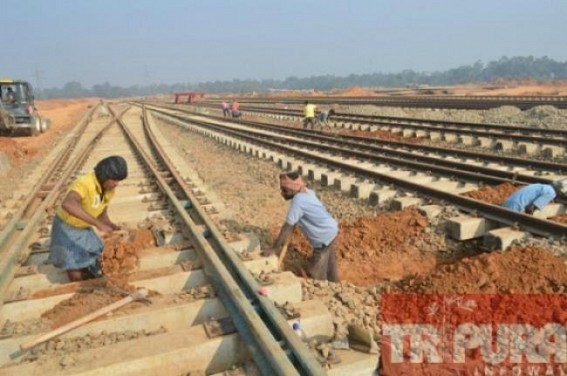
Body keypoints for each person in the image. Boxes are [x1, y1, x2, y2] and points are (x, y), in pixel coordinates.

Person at [48, 156, 128, 281]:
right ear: (104, 175)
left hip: (83, 227)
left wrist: (110, 224)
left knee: (96, 253)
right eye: (114, 180)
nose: (116, 184)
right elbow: (68, 204)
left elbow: (102, 212)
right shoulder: (85, 183)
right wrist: (97, 224)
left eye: (118, 181)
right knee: (73, 266)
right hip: (66, 228)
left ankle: (88, 275)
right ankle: (79, 286)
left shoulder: (109, 189)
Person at [262, 172, 339, 282]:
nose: (282, 193)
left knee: (315, 270)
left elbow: (287, 227)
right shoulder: (308, 192)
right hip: (331, 229)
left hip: (323, 236)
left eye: (284, 190)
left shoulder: (298, 201)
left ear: (292, 188)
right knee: (330, 264)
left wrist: (274, 248)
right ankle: (335, 283)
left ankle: (323, 287)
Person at [503, 179, 567, 214]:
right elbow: (530, 208)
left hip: (507, 202)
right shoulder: (551, 193)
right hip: (516, 207)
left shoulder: (541, 186)